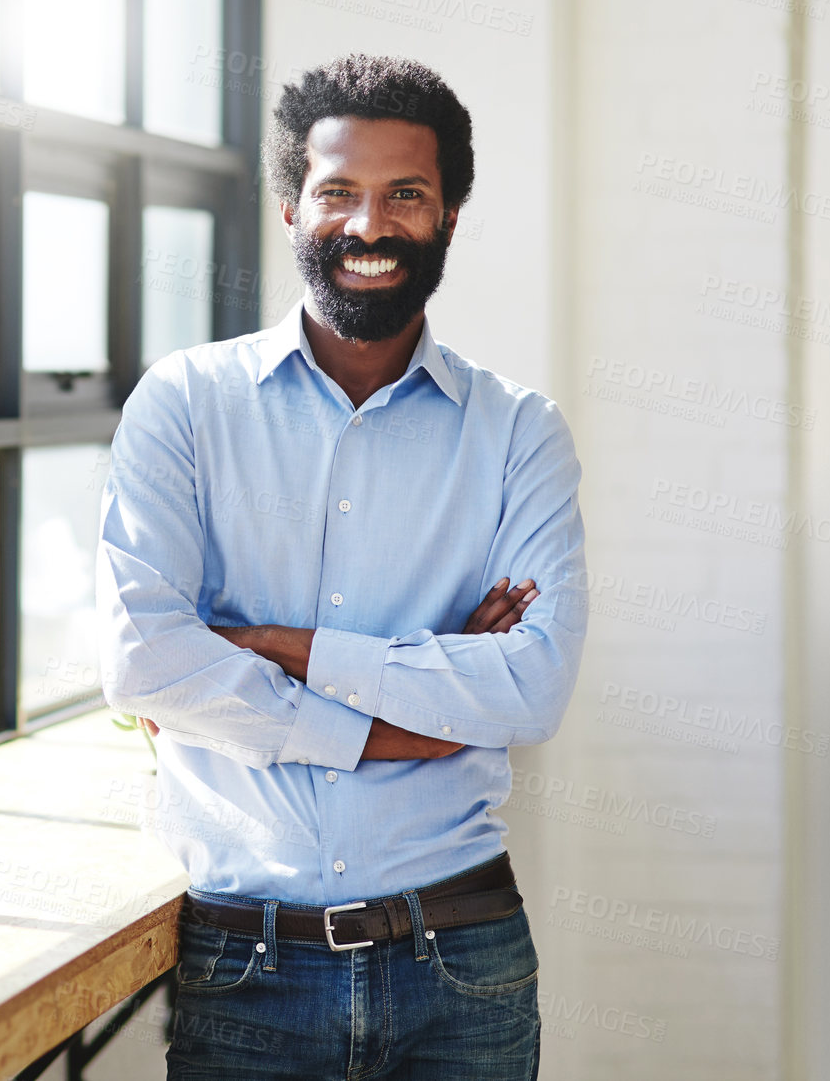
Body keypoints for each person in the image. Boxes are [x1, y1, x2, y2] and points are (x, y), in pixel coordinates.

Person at [96, 53, 588, 1080]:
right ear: (289, 209)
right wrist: (392, 721)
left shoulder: (516, 433)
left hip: (463, 958)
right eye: (337, 194)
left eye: (404, 194)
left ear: (448, 213)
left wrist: (273, 645)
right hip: (247, 962)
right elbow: (144, 663)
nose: (367, 227)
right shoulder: (183, 406)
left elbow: (532, 684)